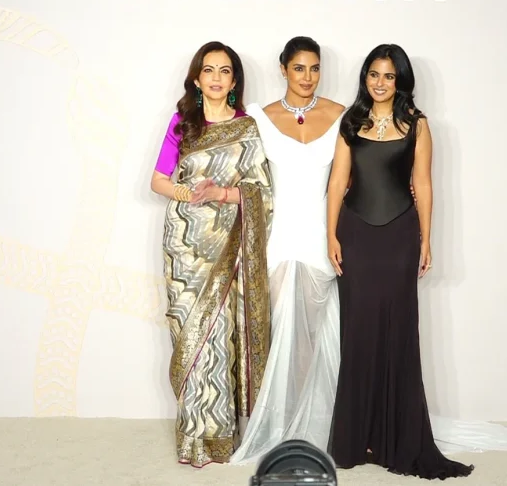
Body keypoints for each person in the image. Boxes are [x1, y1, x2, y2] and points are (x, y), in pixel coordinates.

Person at [325, 43, 475, 479]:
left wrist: (426, 239)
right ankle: (358, 438)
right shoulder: (350, 122)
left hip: (399, 238)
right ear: (365, 78)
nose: (380, 83)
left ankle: (397, 438)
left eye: (389, 76)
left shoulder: (417, 125)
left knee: (399, 333)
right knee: (358, 334)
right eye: (373, 74)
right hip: (355, 235)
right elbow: (337, 181)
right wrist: (330, 234)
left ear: (400, 81)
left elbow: (423, 184)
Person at [150, 41, 273, 468]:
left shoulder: (247, 128)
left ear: (234, 80)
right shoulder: (183, 122)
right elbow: (158, 180)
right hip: (184, 245)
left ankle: (220, 435)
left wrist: (220, 194)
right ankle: (193, 437)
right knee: (190, 332)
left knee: (219, 335)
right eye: (209, 70)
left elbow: (263, 191)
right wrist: (192, 195)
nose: (217, 78)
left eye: (225, 71)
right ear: (197, 79)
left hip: (228, 242)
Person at [228, 36, 345, 464]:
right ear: (283, 69)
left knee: (311, 338)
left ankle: (314, 425)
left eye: (314, 68)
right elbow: (240, 171)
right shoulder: (259, 117)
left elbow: (351, 177)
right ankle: (279, 426)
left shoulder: (340, 115)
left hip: (320, 238)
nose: (307, 77)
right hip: (277, 238)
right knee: (278, 334)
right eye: (299, 68)